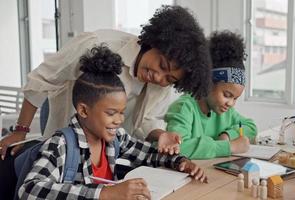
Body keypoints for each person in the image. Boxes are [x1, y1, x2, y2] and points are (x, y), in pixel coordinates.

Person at [0, 5, 210, 159]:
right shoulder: (98, 45)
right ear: (154, 42)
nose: (159, 77)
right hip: (65, 110)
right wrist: (20, 130)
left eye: (170, 78)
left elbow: (144, 121)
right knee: (58, 156)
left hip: (105, 135)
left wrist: (161, 135)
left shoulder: (161, 86)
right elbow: (42, 80)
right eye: (162, 65)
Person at [18, 45, 207, 200]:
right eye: (111, 113)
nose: (119, 120)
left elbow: (149, 154)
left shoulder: (117, 138)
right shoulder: (60, 144)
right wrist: (104, 193)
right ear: (83, 110)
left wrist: (182, 162)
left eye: (122, 112)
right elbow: (30, 190)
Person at [164, 31, 257, 159]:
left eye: (235, 98)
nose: (231, 103)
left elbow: (251, 127)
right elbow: (176, 148)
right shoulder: (184, 107)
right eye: (227, 94)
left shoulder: (226, 112)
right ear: (208, 82)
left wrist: (227, 135)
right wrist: (229, 146)